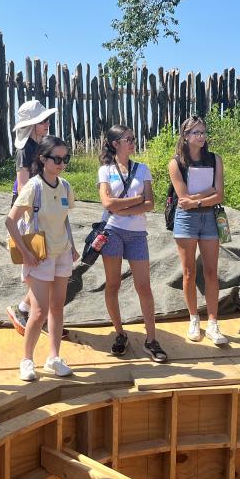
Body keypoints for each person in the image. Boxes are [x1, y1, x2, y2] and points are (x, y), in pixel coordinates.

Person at [6, 136, 79, 381]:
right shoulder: (33, 187)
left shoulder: (66, 185)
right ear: (43, 159)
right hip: (40, 256)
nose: (61, 163)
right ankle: (27, 360)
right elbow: (10, 220)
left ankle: (53, 358)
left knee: (57, 308)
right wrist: (26, 253)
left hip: (63, 253)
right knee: (38, 312)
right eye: (56, 159)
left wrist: (73, 246)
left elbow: (64, 217)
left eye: (65, 158)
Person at [97, 124, 168, 363]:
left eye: (133, 138)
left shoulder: (142, 169)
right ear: (115, 144)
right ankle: (119, 333)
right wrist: (136, 201)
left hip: (137, 234)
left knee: (143, 286)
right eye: (128, 138)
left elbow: (151, 204)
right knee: (113, 285)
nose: (132, 142)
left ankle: (151, 339)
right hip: (112, 232)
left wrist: (124, 205)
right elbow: (107, 203)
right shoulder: (105, 170)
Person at [6, 100, 69, 340]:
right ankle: (35, 314)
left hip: (44, 204)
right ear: (32, 124)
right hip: (31, 208)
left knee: (49, 262)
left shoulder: (40, 145)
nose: (47, 123)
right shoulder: (25, 148)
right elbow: (23, 184)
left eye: (46, 119)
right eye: (42, 120)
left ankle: (27, 309)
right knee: (40, 260)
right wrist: (32, 213)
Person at [168, 116, 228, 345]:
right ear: (185, 136)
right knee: (189, 272)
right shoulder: (176, 163)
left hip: (210, 217)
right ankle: (194, 318)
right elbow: (182, 199)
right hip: (186, 220)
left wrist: (199, 201)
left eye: (203, 132)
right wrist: (206, 193)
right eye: (195, 132)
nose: (201, 136)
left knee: (211, 271)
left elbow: (220, 194)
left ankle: (213, 322)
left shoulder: (215, 159)